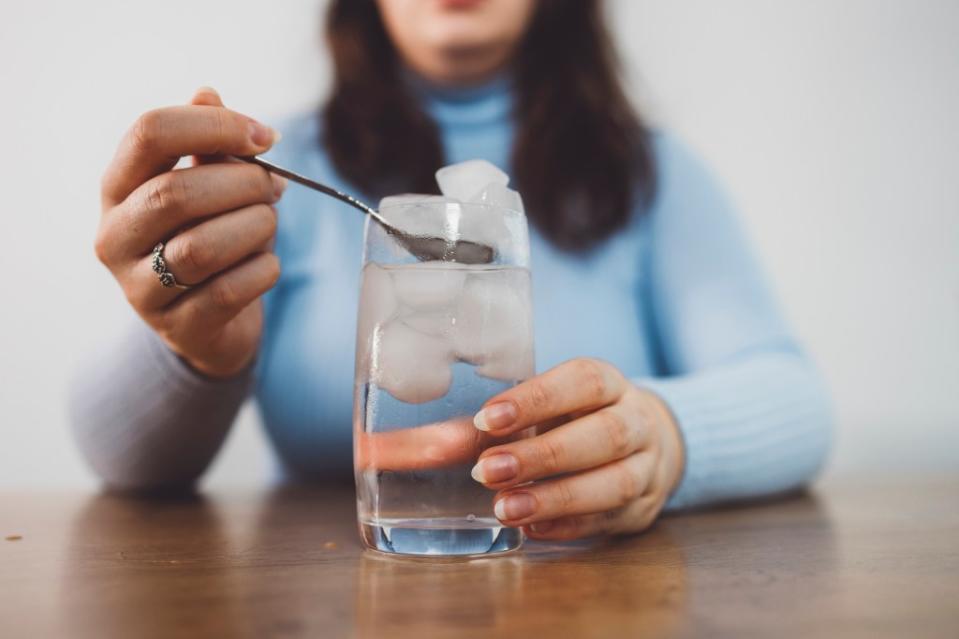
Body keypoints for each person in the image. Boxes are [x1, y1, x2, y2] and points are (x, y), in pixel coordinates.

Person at [72, 0, 832, 540]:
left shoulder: (649, 172)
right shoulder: (273, 174)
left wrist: (666, 439)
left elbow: (792, 395)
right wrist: (194, 352)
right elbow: (118, 459)